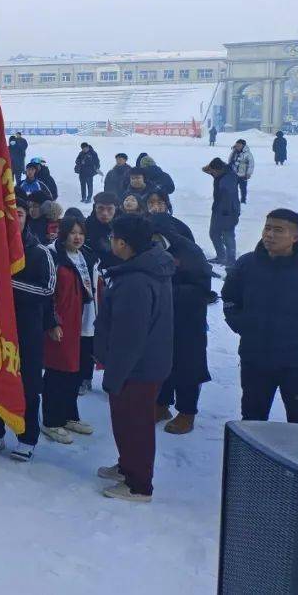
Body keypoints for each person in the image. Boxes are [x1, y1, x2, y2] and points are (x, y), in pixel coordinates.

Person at [93, 215, 174, 503]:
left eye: (114, 238)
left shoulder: (137, 281)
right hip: (141, 364)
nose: (111, 242)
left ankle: (139, 485)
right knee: (125, 420)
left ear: (123, 243)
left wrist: (114, 375)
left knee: (135, 424)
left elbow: (130, 336)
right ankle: (127, 465)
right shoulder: (141, 268)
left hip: (137, 368)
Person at [221, 209, 298, 424]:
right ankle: (249, 458)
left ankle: (294, 458)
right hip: (256, 359)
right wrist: (242, 325)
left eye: (278, 230)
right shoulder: (247, 264)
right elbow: (230, 298)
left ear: (295, 237)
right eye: (267, 228)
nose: (269, 234)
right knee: (252, 419)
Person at [0, 197, 55, 462]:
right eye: (10, 213)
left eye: (20, 213)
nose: (15, 218)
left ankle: (27, 437)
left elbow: (46, 289)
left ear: (26, 218)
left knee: (29, 382)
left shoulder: (39, 251)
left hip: (28, 330)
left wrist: (6, 285)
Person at [149, 215, 213, 434]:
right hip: (161, 319)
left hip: (188, 322)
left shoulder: (191, 253)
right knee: (161, 362)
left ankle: (187, 412)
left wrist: (165, 291)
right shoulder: (150, 250)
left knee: (188, 367)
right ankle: (161, 404)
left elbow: (203, 291)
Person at [41, 217, 98, 444]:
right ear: (63, 234)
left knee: (75, 370)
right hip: (61, 323)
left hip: (83, 322)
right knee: (58, 371)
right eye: (73, 233)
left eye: (81, 233)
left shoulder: (86, 256)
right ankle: (51, 420)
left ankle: (69, 415)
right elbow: (48, 294)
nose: (77, 237)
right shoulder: (52, 256)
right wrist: (52, 323)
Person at [203, 157, 240, 266]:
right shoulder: (220, 174)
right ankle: (221, 256)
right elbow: (207, 170)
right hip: (218, 209)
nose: (212, 173)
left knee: (228, 235)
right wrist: (209, 169)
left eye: (213, 171)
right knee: (214, 233)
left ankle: (231, 259)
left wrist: (226, 212)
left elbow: (228, 196)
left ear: (218, 170)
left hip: (228, 211)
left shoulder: (228, 179)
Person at [227, 138, 254, 204]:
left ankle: (243, 200)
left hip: (243, 174)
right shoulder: (233, 152)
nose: (237, 146)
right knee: (233, 188)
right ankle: (234, 199)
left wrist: (249, 173)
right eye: (236, 145)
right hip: (234, 174)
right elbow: (230, 161)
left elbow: (251, 164)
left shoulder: (248, 154)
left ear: (243, 146)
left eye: (239, 145)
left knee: (243, 188)